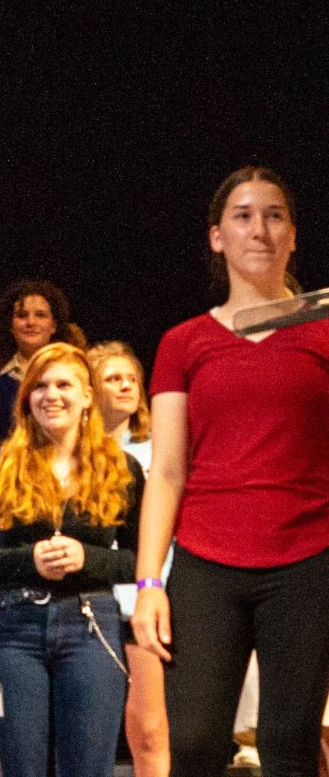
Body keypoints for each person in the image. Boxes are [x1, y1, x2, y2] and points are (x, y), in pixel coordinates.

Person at [133, 166, 329, 777]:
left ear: (293, 235)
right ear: (217, 236)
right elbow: (166, 471)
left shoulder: (325, 330)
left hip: (308, 555)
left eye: (273, 215)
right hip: (206, 560)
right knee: (191, 745)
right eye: (242, 215)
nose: (259, 229)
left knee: (290, 746)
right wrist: (148, 584)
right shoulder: (184, 342)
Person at [0, 341, 143, 777]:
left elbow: (141, 561)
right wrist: (29, 560)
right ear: (27, 401)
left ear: (86, 398)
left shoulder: (121, 468)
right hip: (13, 628)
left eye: (64, 384)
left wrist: (88, 558)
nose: (51, 394)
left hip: (90, 627)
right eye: (39, 386)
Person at [87, 341, 168, 777]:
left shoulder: (159, 450)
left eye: (131, 378)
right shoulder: (77, 454)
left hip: (148, 591)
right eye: (113, 378)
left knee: (151, 721)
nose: (125, 386)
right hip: (94, 594)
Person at [0, 279, 86, 500]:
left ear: (54, 325)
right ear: (11, 325)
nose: (30, 322)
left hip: (66, 492)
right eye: (22, 315)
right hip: (7, 497)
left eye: (40, 315)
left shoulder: (76, 378)